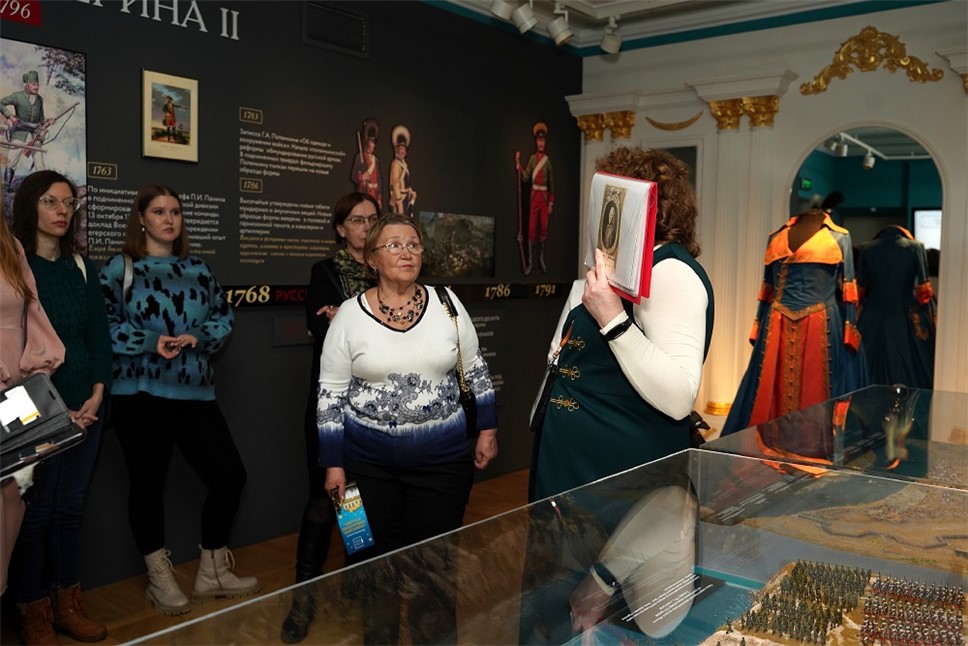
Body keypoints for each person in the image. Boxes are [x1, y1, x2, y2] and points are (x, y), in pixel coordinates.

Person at [318, 213, 498, 644]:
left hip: (443, 466)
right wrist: (332, 464)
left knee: (434, 570)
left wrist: (488, 428)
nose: (407, 252)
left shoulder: (447, 304)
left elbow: (476, 368)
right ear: (372, 260)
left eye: (414, 244)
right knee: (372, 570)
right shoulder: (349, 316)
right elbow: (330, 393)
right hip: (365, 469)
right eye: (394, 245)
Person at [98, 184, 259, 616]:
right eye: (158, 211)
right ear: (141, 219)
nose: (168, 219)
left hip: (194, 390)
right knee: (147, 485)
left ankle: (212, 574)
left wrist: (198, 337)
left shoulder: (198, 269)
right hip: (139, 393)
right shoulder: (120, 267)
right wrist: (150, 341)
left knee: (230, 476)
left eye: (175, 211)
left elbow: (223, 316)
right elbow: (102, 325)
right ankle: (160, 580)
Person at [529, 146, 714, 502]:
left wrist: (613, 320)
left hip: (620, 478)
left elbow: (679, 397)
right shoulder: (625, 269)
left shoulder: (670, 271)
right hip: (577, 465)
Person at [10, 171, 112, 644]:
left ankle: (67, 602)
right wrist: (54, 410)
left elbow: (98, 339)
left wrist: (96, 393)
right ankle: (31, 609)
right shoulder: (14, 266)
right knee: (34, 511)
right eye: (51, 201)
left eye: (69, 203)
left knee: (70, 507)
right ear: (30, 204)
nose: (62, 211)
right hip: (33, 408)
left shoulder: (80, 267)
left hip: (86, 404)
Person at [280, 191, 378, 643]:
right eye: (357, 220)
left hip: (376, 404)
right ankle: (304, 598)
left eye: (372, 219)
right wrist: (355, 322)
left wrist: (347, 317)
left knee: (358, 497)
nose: (366, 227)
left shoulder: (387, 270)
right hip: (333, 401)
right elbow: (322, 328)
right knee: (325, 497)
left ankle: (357, 577)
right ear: (341, 228)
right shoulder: (325, 272)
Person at [722, 205, 867, 436]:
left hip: (822, 324)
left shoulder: (840, 237)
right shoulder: (775, 237)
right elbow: (766, 290)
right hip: (776, 324)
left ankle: (814, 442)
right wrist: (758, 326)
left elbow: (849, 289)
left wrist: (850, 329)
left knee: (817, 388)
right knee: (770, 390)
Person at [0, 204, 65, 598]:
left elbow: (33, 316)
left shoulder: (11, 247)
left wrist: (36, 378)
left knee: (14, 490)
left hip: (16, 393)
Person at [855, 225, 935, 388]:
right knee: (915, 368)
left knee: (867, 369)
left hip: (872, 315)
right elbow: (923, 290)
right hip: (906, 313)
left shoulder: (867, 249)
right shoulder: (916, 247)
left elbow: (859, 289)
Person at [1, 71, 55, 186]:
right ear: (26, 84)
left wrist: (48, 121)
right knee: (12, 161)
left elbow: (41, 119)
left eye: (37, 84)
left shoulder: (40, 99)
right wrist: (9, 116)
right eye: (33, 84)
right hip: (19, 134)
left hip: (34, 135)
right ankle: (6, 186)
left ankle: (43, 187)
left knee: (40, 164)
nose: (36, 87)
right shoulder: (17, 96)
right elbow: (1, 103)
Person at [515, 122, 555, 275]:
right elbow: (526, 178)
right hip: (534, 197)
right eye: (539, 140)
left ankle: (541, 259)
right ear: (536, 142)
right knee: (531, 230)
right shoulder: (532, 159)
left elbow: (552, 182)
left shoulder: (547, 161)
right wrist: (519, 165)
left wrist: (551, 202)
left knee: (543, 229)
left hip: (544, 198)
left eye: (543, 140)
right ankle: (531, 263)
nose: (541, 143)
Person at [351, 119, 382, 209]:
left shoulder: (376, 160)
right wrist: (362, 177)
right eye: (372, 143)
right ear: (367, 143)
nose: (374, 145)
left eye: (374, 143)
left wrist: (379, 199)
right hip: (364, 193)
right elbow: (353, 176)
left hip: (374, 195)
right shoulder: (359, 157)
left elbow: (379, 181)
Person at [388, 125, 416, 216]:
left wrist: (411, 191)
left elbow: (406, 182)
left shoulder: (404, 165)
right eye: (400, 149)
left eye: (403, 149)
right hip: (400, 199)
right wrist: (399, 200)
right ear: (396, 151)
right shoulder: (396, 164)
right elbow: (395, 183)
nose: (402, 152)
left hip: (406, 197)